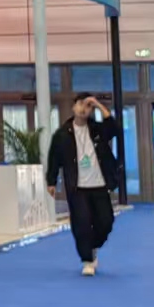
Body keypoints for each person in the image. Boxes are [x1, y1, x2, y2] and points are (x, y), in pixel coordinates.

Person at [45, 95, 122, 276]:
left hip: (99, 184)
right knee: (82, 223)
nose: (83, 109)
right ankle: (87, 259)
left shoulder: (97, 130)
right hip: (77, 187)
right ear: (73, 107)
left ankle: (93, 245)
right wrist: (51, 181)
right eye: (80, 104)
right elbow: (54, 158)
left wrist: (98, 104)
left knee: (106, 222)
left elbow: (114, 128)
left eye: (88, 106)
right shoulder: (62, 134)